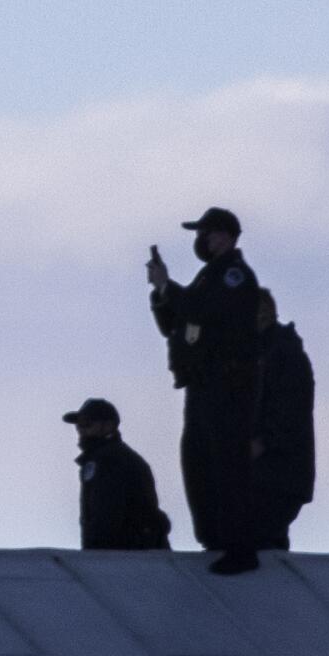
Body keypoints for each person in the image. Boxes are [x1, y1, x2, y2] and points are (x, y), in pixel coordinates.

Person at [147, 206, 261, 575]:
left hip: (226, 386)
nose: (201, 240)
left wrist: (171, 288)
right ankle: (214, 539)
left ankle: (239, 546)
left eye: (207, 233)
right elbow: (176, 324)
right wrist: (162, 291)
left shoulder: (233, 276)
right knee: (199, 463)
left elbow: (204, 312)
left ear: (226, 236)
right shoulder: (206, 278)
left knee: (226, 465)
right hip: (202, 385)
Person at [250, 290, 314, 550]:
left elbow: (292, 410)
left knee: (261, 545)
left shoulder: (283, 352)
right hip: (270, 474)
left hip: (276, 474)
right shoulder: (264, 351)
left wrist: (263, 442)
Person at [63, 398, 170, 551]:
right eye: (78, 425)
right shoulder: (105, 458)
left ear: (108, 426)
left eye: (87, 423)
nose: (81, 429)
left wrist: (96, 553)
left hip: (127, 556)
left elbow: (108, 512)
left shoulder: (109, 460)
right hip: (130, 554)